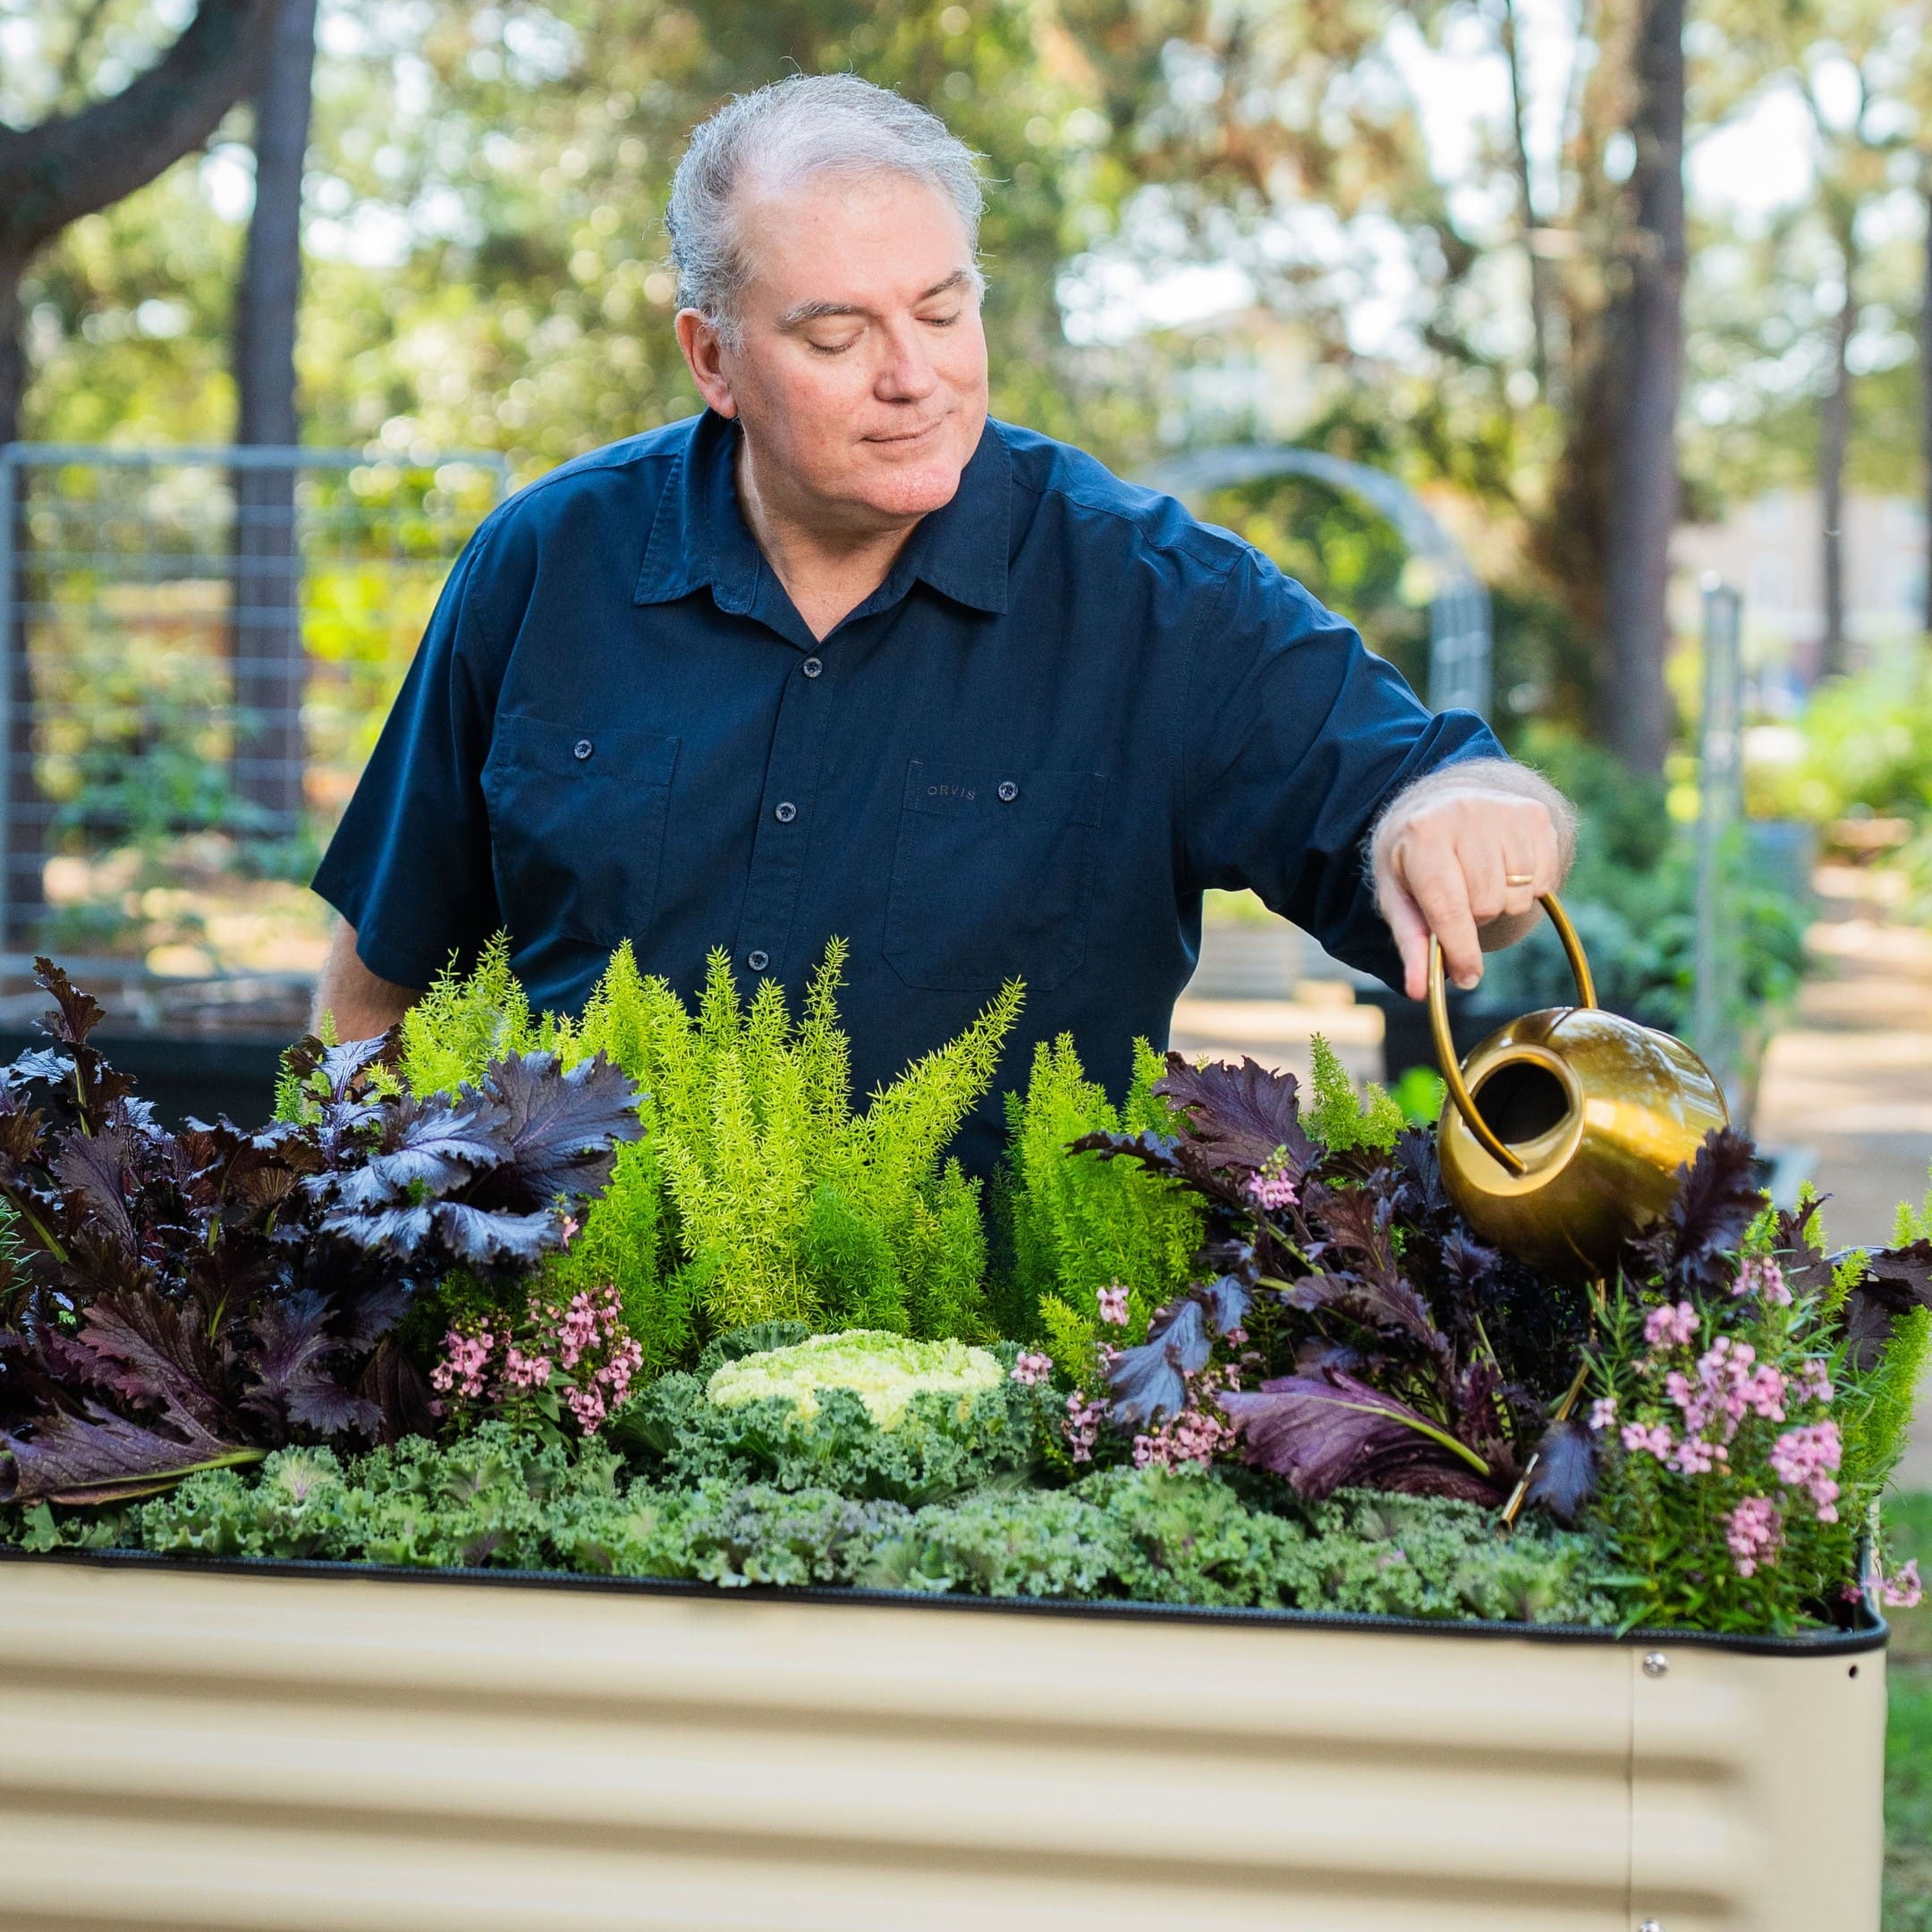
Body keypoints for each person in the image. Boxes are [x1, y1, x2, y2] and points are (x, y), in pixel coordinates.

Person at [311, 73, 1572, 1173]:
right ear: (714, 358)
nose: (913, 376)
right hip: (584, 1351)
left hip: (994, 1386)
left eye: (941, 309)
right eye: (837, 332)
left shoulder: (1153, 597)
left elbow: (1440, 809)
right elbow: (384, 977)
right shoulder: (547, 562)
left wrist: (1474, 826)